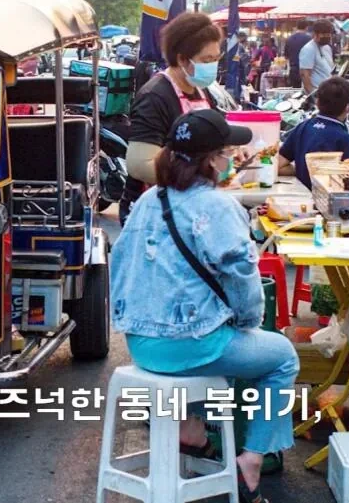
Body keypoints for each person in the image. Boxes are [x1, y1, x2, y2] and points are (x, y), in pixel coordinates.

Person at [112, 108, 299, 503]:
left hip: (141, 345)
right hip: (190, 347)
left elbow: (121, 265)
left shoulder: (148, 201)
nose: (232, 157)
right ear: (213, 160)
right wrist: (248, 320)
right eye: (227, 151)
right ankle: (252, 458)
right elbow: (242, 277)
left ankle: (189, 426)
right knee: (282, 357)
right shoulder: (217, 206)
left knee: (224, 349)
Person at [122, 12, 221, 221]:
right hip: (156, 210)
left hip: (190, 204)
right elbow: (140, 165)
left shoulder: (202, 90)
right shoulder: (155, 96)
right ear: (182, 59)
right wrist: (197, 177)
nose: (212, 65)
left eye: (216, 59)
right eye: (206, 60)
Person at [276, 77, 349, 188]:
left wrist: (304, 170)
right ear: (348, 107)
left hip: (304, 196)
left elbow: (278, 166)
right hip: (330, 197)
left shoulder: (303, 128)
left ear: (317, 103)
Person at [297, 21, 335, 96]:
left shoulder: (327, 48)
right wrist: (312, 95)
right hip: (317, 93)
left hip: (328, 93)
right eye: (323, 34)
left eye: (328, 34)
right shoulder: (308, 49)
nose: (327, 36)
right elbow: (305, 75)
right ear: (315, 34)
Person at [284, 20, 312, 88]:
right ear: (306, 27)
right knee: (307, 91)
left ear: (297, 27)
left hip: (293, 71)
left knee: (295, 91)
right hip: (307, 71)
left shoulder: (289, 39)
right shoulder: (309, 39)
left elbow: (286, 56)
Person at [224, 30, 250, 99]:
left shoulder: (231, 44)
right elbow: (241, 60)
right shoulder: (238, 46)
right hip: (235, 72)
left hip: (233, 72)